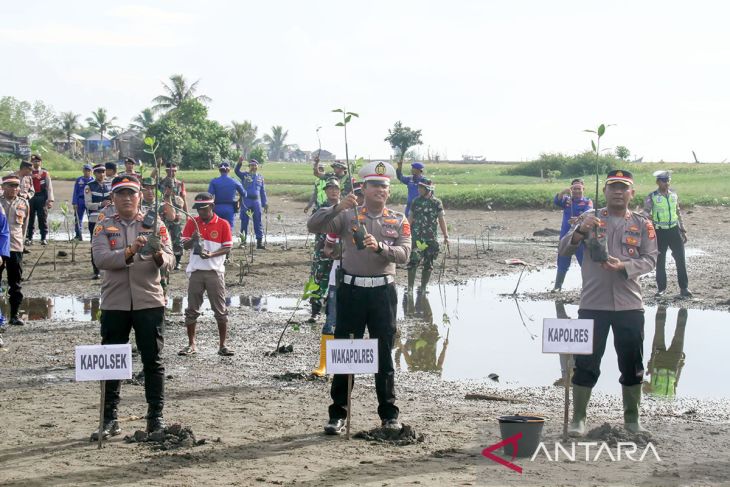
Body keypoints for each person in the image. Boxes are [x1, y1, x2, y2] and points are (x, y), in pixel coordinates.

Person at [308, 160, 411, 435]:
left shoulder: (398, 219)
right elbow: (313, 224)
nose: (380, 190)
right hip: (351, 291)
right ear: (363, 188)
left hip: (382, 293)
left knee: (384, 356)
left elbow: (405, 255)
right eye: (375, 185)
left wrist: (381, 248)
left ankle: (389, 415)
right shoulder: (348, 215)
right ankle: (337, 415)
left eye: (384, 186)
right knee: (344, 353)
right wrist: (338, 206)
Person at [558, 169, 658, 436]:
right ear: (604, 192)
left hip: (630, 306)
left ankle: (632, 419)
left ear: (631, 193)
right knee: (586, 363)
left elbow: (651, 259)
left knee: (632, 364)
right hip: (593, 304)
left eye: (623, 188)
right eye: (612, 187)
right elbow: (564, 249)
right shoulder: (589, 218)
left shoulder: (642, 223)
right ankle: (578, 419)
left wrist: (624, 265)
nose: (617, 191)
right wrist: (579, 231)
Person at [91, 175, 174, 439]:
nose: (127, 198)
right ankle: (109, 419)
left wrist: (159, 254)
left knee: (153, 361)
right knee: (111, 361)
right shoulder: (103, 226)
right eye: (121, 193)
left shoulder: (155, 224)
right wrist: (130, 251)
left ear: (140, 196)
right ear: (113, 199)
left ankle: (155, 418)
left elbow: (171, 261)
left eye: (132, 193)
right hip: (115, 302)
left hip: (149, 301)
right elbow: (101, 259)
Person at [178, 193, 234, 356]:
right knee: (192, 310)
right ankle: (191, 345)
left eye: (204, 208)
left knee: (220, 310)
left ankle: (223, 345)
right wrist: (193, 239)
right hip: (196, 272)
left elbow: (228, 247)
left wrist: (211, 255)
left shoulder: (223, 224)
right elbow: (185, 246)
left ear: (212, 207)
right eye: (198, 209)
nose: (201, 212)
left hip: (214, 273)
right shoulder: (191, 222)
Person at [643, 170, 692, 298]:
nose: (667, 183)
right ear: (658, 182)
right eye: (664, 181)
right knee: (660, 261)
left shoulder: (674, 195)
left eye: (668, 180)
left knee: (680, 259)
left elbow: (678, 212)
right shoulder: (652, 196)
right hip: (659, 231)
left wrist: (683, 229)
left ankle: (684, 288)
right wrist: (649, 219)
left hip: (674, 230)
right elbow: (645, 213)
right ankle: (661, 289)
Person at [406, 178, 449, 293]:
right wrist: (404, 232)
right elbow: (410, 218)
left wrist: (446, 236)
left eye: (421, 188)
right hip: (417, 238)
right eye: (419, 187)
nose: (419, 190)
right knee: (413, 261)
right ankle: (410, 289)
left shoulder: (437, 203)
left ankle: (423, 288)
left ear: (428, 189)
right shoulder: (416, 201)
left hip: (430, 239)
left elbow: (441, 219)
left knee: (428, 264)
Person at [308, 178, 341, 323]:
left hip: (340, 253)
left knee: (339, 281)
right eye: (330, 188)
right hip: (322, 251)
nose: (333, 191)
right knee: (319, 279)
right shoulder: (321, 209)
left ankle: (333, 313)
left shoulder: (346, 208)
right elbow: (312, 226)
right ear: (326, 191)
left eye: (336, 188)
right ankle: (315, 312)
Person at [552, 179, 593, 291]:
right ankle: (557, 286)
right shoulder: (566, 200)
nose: (576, 191)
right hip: (566, 236)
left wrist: (578, 219)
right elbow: (556, 201)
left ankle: (588, 287)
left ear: (583, 189)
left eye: (579, 188)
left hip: (580, 235)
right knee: (562, 261)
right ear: (571, 189)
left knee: (584, 263)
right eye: (574, 188)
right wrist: (563, 192)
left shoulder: (587, 201)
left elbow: (588, 212)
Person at [0, 174, 28, 325]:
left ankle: (14, 315)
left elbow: (24, 227)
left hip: (15, 247)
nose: (14, 188)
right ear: (3, 186)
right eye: (10, 185)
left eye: (16, 186)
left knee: (15, 283)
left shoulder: (23, 203)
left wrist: (21, 244)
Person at [644, 306, 687, 399]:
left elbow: (642, 383)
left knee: (675, 331)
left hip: (660, 361)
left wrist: (646, 388)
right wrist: (680, 367)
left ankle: (663, 307)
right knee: (678, 331)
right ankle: (683, 307)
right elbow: (675, 384)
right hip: (670, 363)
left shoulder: (652, 398)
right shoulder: (671, 399)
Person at [84, 164, 112, 279]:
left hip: (109, 219)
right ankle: (96, 270)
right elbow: (88, 204)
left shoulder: (109, 185)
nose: (101, 174)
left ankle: (109, 268)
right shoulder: (89, 186)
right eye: (99, 172)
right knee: (95, 244)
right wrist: (101, 204)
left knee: (111, 243)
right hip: (94, 220)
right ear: (94, 173)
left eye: (103, 172)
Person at [235, 158, 268, 249]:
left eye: (255, 165)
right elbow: (236, 171)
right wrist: (239, 163)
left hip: (256, 202)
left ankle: (259, 243)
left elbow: (262, 191)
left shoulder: (260, 177)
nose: (253, 167)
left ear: (257, 167)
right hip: (246, 201)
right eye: (251, 165)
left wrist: (265, 203)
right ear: (249, 167)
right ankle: (243, 242)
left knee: (258, 221)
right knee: (244, 221)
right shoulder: (245, 175)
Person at [208, 161, 246, 232]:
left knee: (216, 230)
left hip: (217, 208)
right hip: (230, 209)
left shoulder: (214, 181)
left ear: (219, 170)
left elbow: (209, 195)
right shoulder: (234, 181)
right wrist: (239, 201)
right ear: (229, 170)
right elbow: (244, 193)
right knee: (228, 231)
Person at [26, 154, 54, 246]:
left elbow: (49, 187)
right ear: (31, 162)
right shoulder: (28, 173)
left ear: (40, 162)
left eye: (37, 161)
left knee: (42, 218)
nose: (36, 163)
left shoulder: (44, 173)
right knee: (30, 218)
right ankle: (29, 238)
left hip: (42, 198)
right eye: (34, 161)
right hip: (30, 198)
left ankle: (43, 238)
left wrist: (50, 200)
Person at [160, 180, 186, 271]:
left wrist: (169, 198)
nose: (167, 189)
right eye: (166, 187)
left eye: (170, 187)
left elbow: (176, 214)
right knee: (163, 241)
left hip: (175, 222)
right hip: (163, 222)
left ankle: (178, 261)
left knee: (177, 240)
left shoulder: (177, 199)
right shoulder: (159, 198)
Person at [72, 164, 94, 240]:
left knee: (91, 218)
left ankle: (92, 235)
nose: (87, 172)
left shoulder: (93, 180)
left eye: (88, 170)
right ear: (83, 171)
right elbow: (75, 192)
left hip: (89, 201)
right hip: (80, 200)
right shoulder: (79, 180)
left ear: (91, 171)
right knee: (78, 218)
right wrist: (74, 202)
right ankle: (78, 235)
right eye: (85, 170)